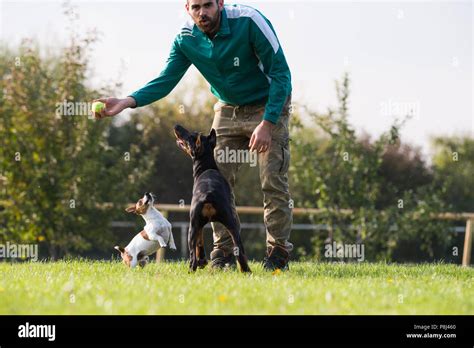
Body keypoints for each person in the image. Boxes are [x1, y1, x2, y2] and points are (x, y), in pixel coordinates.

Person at [95, 0, 293, 271]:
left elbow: (281, 74)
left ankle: (278, 253)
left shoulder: (249, 21)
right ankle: (222, 253)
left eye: (208, 5)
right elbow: (166, 80)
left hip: (268, 104)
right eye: (196, 6)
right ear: (187, 7)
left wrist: (268, 123)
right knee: (216, 181)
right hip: (227, 108)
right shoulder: (186, 38)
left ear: (220, 3)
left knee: (272, 179)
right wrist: (128, 101)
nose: (203, 13)